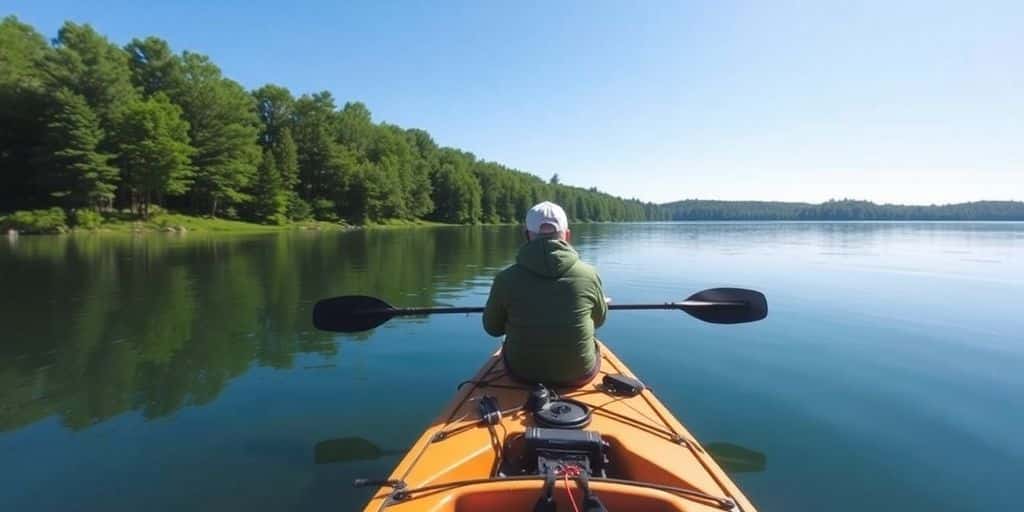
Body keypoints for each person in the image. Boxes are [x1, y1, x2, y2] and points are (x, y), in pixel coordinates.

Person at [483, 201, 607, 386]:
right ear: (567, 235)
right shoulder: (589, 275)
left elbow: (493, 329)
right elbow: (599, 320)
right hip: (579, 374)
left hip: (521, 374)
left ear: (526, 235)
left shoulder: (504, 278)